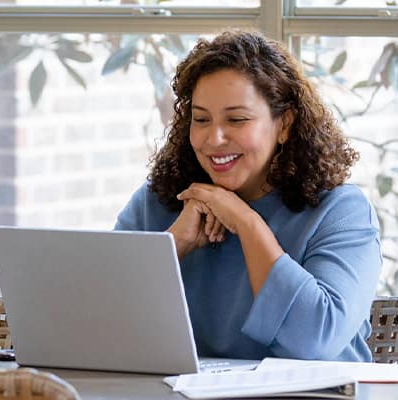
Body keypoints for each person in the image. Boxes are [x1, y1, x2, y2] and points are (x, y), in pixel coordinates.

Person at [114, 30, 382, 362]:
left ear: (284, 124)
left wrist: (247, 223)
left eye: (237, 119)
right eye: (201, 119)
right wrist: (172, 245)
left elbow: (316, 340)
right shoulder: (159, 202)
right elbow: (97, 322)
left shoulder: (341, 212)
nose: (214, 139)